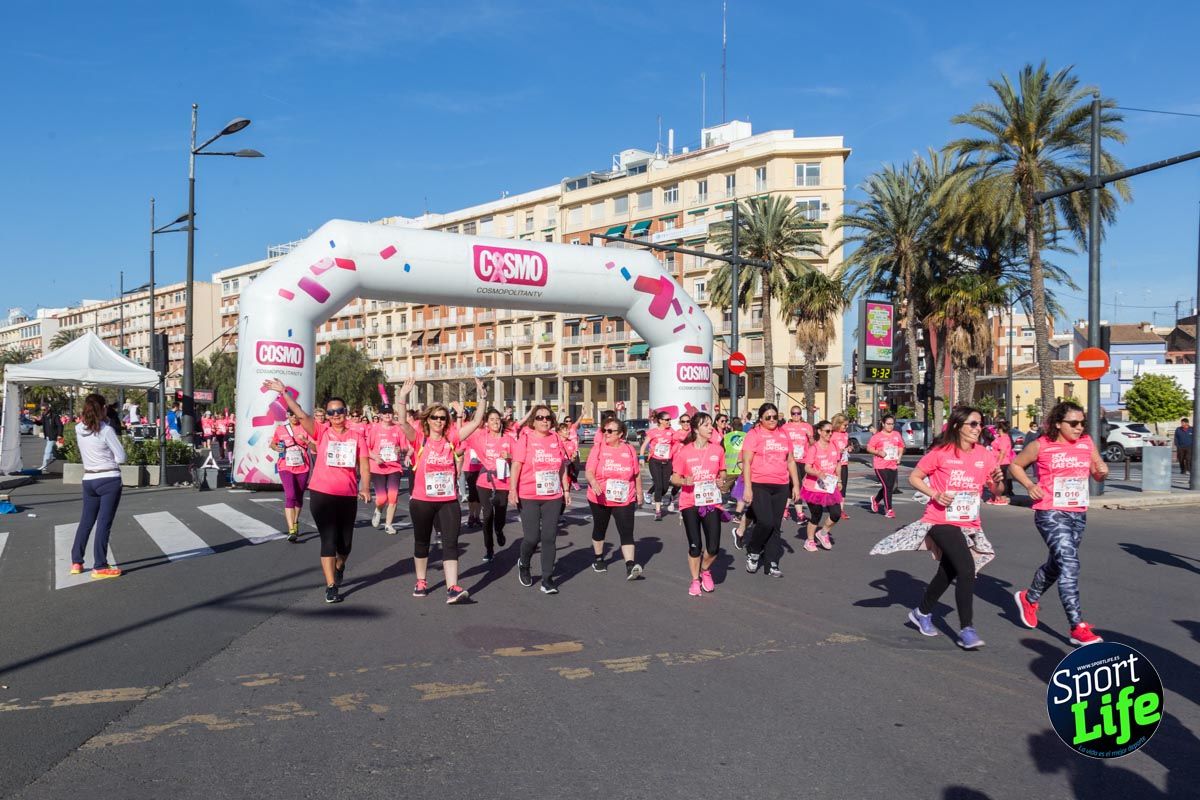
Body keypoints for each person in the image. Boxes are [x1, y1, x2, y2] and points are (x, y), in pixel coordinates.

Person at [870, 405, 1004, 650]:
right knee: (966, 569)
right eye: (973, 424)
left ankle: (921, 612)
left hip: (969, 523)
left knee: (948, 572)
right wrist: (935, 494)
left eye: (980, 424)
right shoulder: (941, 453)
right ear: (958, 426)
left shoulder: (984, 455)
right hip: (940, 520)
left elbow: (996, 491)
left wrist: (997, 483)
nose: (978, 428)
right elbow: (915, 477)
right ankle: (967, 629)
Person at [1009, 401, 1109, 647]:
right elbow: (1015, 465)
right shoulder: (1041, 445)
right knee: (1070, 564)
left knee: (1058, 564)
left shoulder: (1086, 443)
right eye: (1073, 423)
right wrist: (1030, 485)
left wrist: (1102, 471)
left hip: (1077, 512)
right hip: (1050, 512)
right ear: (1057, 424)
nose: (1079, 427)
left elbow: (1097, 473)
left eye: (1082, 423)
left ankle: (1029, 597)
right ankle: (1077, 626)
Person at [263, 378, 371, 605]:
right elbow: (300, 414)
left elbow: (364, 463)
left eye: (339, 411)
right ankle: (331, 586)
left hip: (347, 495)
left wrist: (364, 487)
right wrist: (284, 392)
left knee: (345, 545)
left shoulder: (356, 436)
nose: (335, 415)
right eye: (331, 412)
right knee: (328, 541)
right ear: (327, 416)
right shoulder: (321, 431)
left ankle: (340, 566)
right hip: (321, 493)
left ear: (346, 412)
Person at [396, 378, 486, 603]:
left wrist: (482, 397)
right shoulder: (419, 439)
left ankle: (452, 587)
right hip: (422, 501)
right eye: (435, 417)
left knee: (450, 542)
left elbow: (476, 422)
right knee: (422, 542)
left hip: (448, 500)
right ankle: (421, 581)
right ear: (428, 420)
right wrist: (403, 397)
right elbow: (402, 422)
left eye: (442, 418)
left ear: (447, 421)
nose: (438, 421)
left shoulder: (452, 438)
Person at [511, 404, 571, 594]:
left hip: (552, 495)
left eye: (547, 417)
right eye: (540, 417)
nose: (544, 420)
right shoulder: (526, 438)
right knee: (532, 537)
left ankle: (547, 579)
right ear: (533, 421)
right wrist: (512, 489)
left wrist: (566, 489)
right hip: (528, 494)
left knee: (549, 537)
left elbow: (562, 466)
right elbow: (516, 465)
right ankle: (524, 563)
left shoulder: (556, 438)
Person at [69, 393, 126, 579]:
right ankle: (100, 565)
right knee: (103, 523)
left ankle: (76, 561)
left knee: (86, 521)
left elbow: (89, 424)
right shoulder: (106, 430)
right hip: (109, 478)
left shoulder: (78, 428)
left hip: (89, 478)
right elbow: (121, 457)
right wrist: (107, 422)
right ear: (103, 409)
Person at [741, 403, 801, 577]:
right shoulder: (754, 434)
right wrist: (747, 488)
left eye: (775, 417)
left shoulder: (784, 434)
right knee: (765, 522)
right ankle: (753, 550)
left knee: (775, 525)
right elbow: (746, 462)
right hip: (759, 484)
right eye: (768, 417)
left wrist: (796, 485)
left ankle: (771, 563)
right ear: (761, 419)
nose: (772, 420)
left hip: (781, 485)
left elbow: (791, 461)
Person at [671, 413, 726, 596]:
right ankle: (695, 580)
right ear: (696, 429)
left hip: (711, 502)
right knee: (695, 546)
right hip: (690, 502)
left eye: (711, 425)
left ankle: (705, 570)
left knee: (713, 547)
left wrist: (721, 480)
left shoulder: (717, 450)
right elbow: (674, 478)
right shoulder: (685, 452)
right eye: (706, 425)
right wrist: (684, 481)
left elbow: (722, 472)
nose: (711, 428)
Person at [585, 417, 644, 579]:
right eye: (604, 430)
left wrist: (639, 493)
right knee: (600, 528)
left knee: (626, 531)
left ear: (620, 434)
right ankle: (599, 558)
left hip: (624, 497)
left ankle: (630, 565)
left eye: (610, 431)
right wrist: (593, 482)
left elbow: (636, 474)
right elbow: (589, 471)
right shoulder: (598, 448)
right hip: (600, 496)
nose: (606, 433)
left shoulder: (629, 449)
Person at [465, 408, 516, 562]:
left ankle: (499, 531)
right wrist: (460, 416)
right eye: (492, 419)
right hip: (484, 482)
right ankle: (489, 549)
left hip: (503, 483)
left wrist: (510, 456)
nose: (495, 422)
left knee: (500, 516)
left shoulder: (508, 439)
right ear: (487, 423)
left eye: (497, 419)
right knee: (487, 516)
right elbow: (463, 436)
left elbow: (520, 458)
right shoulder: (481, 438)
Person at [367, 404, 409, 535]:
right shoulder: (374, 429)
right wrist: (375, 457)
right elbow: (366, 448)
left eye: (389, 412)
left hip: (394, 467)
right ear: (380, 415)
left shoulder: (398, 429)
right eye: (384, 413)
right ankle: (378, 509)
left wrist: (400, 449)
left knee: (393, 496)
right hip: (378, 467)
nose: (387, 415)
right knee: (381, 498)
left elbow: (405, 447)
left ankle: (388, 525)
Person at [801, 421, 843, 551]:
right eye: (827, 431)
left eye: (831, 431)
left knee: (836, 514)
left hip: (829, 486)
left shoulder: (834, 446)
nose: (830, 434)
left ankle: (823, 533)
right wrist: (817, 473)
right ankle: (810, 541)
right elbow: (807, 467)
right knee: (816, 514)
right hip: (813, 487)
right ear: (819, 432)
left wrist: (839, 480)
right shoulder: (813, 448)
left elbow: (838, 464)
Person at [271, 410, 312, 542]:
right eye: (291, 414)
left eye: (296, 414)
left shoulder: (306, 428)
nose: (294, 417)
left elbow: (315, 446)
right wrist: (276, 447)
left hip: (303, 466)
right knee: (290, 495)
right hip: (285, 466)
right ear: (287, 415)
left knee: (299, 496)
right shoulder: (281, 429)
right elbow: (273, 443)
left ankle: (295, 522)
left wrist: (305, 440)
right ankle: (291, 530)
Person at [641, 411, 679, 520]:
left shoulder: (671, 431)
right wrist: (641, 458)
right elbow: (643, 446)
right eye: (666, 419)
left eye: (669, 419)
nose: (669, 421)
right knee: (658, 485)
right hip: (655, 461)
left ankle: (653, 495)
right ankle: (658, 511)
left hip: (667, 462)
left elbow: (677, 442)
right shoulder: (653, 432)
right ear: (660, 420)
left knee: (665, 487)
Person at [866, 415, 904, 518]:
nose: (890, 426)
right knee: (887, 486)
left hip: (892, 464)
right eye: (888, 424)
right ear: (883, 424)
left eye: (892, 424)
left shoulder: (896, 434)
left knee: (889, 487)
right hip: (880, 465)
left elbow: (901, 446)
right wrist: (878, 452)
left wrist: (899, 457)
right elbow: (869, 448)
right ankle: (889, 509)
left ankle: (876, 500)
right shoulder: (877, 436)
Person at [782, 405, 813, 524]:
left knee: (792, 486)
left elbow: (812, 444)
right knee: (798, 484)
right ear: (791, 414)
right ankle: (800, 514)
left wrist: (810, 437)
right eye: (793, 413)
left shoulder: (807, 426)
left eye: (798, 413)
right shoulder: (785, 427)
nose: (796, 415)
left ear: (801, 414)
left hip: (803, 460)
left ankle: (784, 510)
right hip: (790, 460)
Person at [987, 419, 1014, 504]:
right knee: (995, 480)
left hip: (1002, 462)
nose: (996, 430)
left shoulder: (1004, 438)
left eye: (997, 428)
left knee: (1001, 480)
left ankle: (1002, 497)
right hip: (995, 461)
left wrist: (998, 463)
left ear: (1001, 429)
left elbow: (1003, 452)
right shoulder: (999, 437)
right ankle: (995, 497)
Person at [830, 413, 851, 519]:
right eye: (845, 425)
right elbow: (828, 448)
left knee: (843, 486)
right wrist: (837, 451)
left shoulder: (846, 434)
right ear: (838, 424)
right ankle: (832, 505)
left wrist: (848, 448)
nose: (846, 427)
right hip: (833, 464)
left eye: (847, 425)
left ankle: (841, 510)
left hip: (843, 463)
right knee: (833, 486)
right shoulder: (832, 435)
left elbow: (846, 445)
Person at [35, 402, 63, 472]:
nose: (43, 411)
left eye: (44, 409)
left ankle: (44, 466)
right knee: (53, 452)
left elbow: (60, 425)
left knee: (47, 451)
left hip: (53, 436)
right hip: (48, 436)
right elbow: (40, 423)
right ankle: (54, 466)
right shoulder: (44, 416)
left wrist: (59, 435)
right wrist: (36, 421)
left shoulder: (54, 416)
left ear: (48, 409)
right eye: (41, 410)